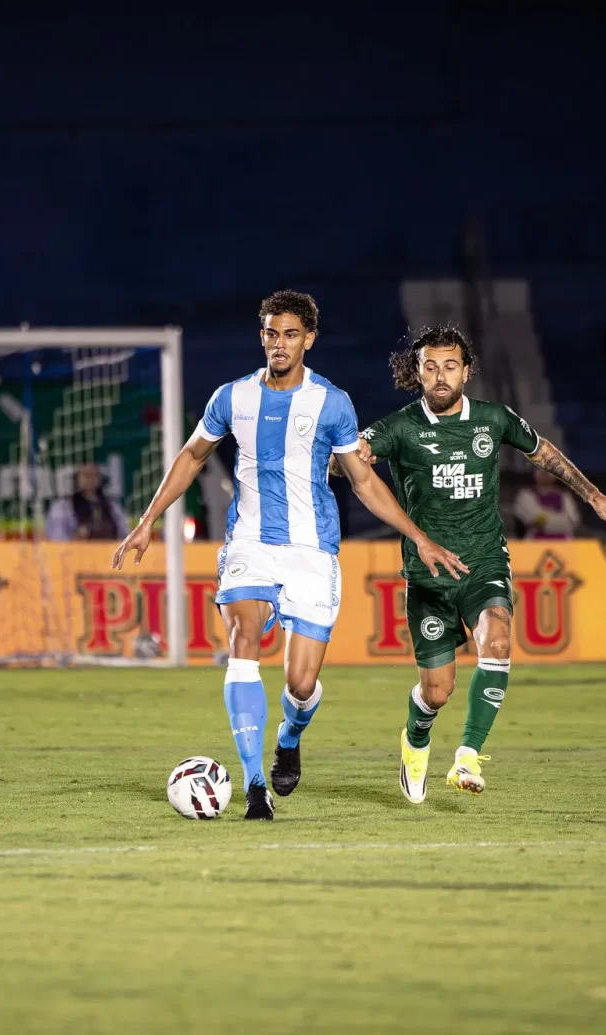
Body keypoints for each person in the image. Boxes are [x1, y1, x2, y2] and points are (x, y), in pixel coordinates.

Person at [111, 290, 465, 820]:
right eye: (272, 334)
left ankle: (289, 736)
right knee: (243, 640)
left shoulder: (332, 403)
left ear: (309, 340)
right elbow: (191, 456)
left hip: (312, 549)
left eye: (291, 334)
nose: (280, 344)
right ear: (262, 337)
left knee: (300, 684)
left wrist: (418, 535)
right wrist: (146, 521)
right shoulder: (231, 397)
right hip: (249, 543)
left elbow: (364, 482)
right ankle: (256, 787)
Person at [353, 325, 606, 804]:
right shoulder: (398, 427)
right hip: (428, 573)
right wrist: (349, 456)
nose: (440, 376)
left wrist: (593, 495)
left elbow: (542, 452)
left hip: (484, 559)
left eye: (450, 366)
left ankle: (467, 755)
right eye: (430, 367)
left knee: (498, 637)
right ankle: (415, 741)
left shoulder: (493, 419)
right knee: (437, 692)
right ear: (416, 373)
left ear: (467, 371)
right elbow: (352, 462)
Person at [44, 461, 128, 541]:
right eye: (86, 475)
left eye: (94, 475)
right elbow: (56, 541)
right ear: (77, 478)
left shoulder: (112, 506)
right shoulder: (62, 507)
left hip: (108, 552)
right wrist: (76, 536)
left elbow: (125, 534)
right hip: (76, 553)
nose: (90, 480)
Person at [512, 467, 580, 539]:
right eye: (541, 472)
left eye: (548, 473)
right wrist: (559, 519)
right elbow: (533, 519)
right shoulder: (525, 495)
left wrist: (545, 519)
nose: (545, 475)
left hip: (564, 543)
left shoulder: (565, 496)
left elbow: (572, 522)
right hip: (534, 543)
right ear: (535, 475)